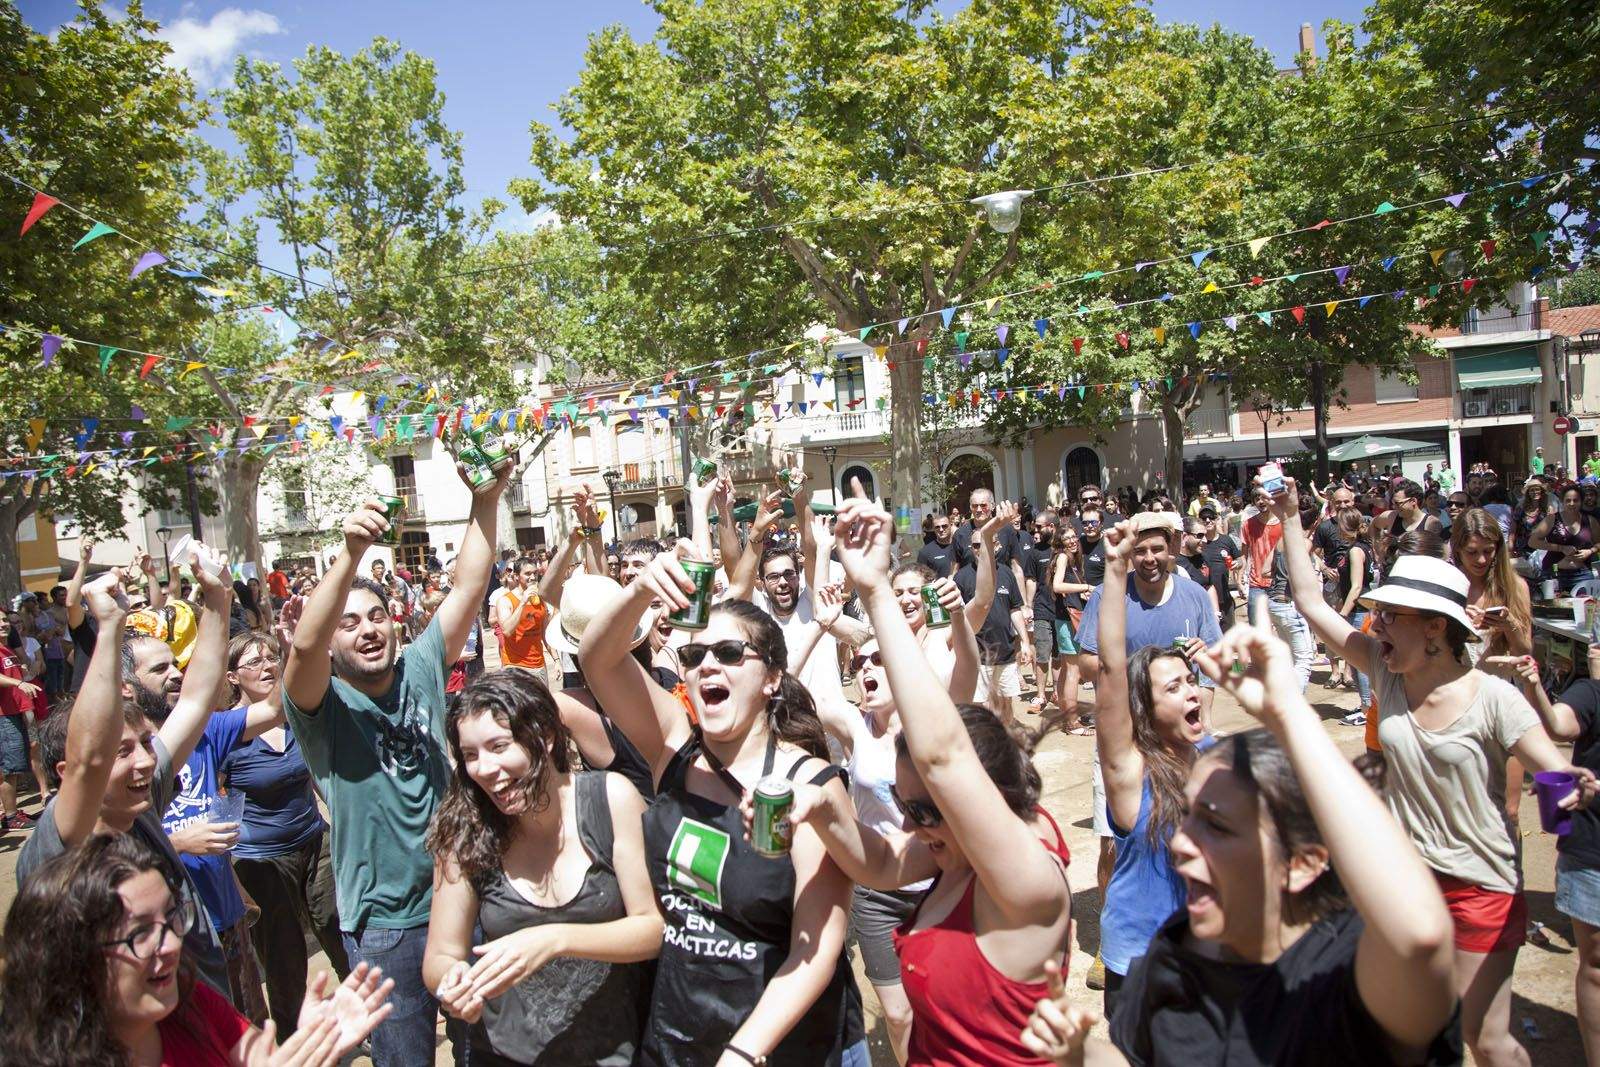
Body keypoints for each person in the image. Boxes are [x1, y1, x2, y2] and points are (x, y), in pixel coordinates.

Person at [1020, 624, 1462, 1067]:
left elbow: (1422, 936)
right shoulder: (1171, 960)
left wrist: (1288, 713)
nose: (1183, 843)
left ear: (1304, 862)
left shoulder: (1348, 970)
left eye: (1218, 825)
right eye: (1190, 816)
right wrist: (1082, 1055)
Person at [1274, 474, 1597, 1067]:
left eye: (1391, 616)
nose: (1378, 626)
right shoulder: (1385, 669)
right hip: (1406, 882)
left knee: (1486, 1038)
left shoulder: (1493, 696)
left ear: (1434, 628)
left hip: (1480, 886)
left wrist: (1570, 789)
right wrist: (1291, 514)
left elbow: (1553, 769)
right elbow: (1309, 602)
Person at [775, 496, 1072, 1066]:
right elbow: (881, 865)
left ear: (981, 792)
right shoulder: (952, 854)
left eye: (928, 809)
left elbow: (941, 755)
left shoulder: (1025, 873)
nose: (911, 823)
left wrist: (878, 589)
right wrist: (823, 810)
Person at [581, 547, 867, 1065]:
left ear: (772, 678)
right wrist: (641, 589)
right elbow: (597, 659)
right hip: (678, 1034)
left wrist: (743, 1052)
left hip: (782, 1043)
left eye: (731, 653)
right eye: (695, 657)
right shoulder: (672, 745)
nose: (708, 663)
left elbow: (816, 949)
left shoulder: (809, 785)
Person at [280, 465, 506, 1067]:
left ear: (395, 621)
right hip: (384, 925)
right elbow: (303, 648)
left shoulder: (424, 667)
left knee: (480, 1052)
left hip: (461, 899)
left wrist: (487, 499)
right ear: (334, 640)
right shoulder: (318, 706)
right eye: (348, 624)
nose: (366, 630)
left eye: (375, 616)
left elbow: (467, 588)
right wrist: (352, 556)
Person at [423, 670, 661, 1065]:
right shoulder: (463, 829)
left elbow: (653, 928)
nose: (483, 768)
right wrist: (452, 982)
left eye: (499, 746)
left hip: (612, 1053)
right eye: (469, 755)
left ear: (545, 737)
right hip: (503, 1054)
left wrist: (552, 940)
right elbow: (441, 954)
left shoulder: (610, 799)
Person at [21, 567, 235, 1000]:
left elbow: (195, 698)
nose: (145, 762)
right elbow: (89, 760)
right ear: (66, 776)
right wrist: (111, 628)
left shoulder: (138, 802)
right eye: (123, 752)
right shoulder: (60, 849)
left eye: (145, 744)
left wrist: (218, 599)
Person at [0, 832, 392, 1067]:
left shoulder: (188, 999)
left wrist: (312, 1042)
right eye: (139, 935)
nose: (171, 944)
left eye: (172, 917)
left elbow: (258, 1058)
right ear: (69, 955)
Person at [1089, 518, 1211, 1017]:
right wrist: (1115, 572)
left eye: (1190, 681)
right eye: (1173, 688)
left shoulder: (1216, 760)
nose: (1190, 691)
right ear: (1145, 708)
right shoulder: (1130, 773)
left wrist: (1241, 672)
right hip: (1140, 963)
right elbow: (1112, 669)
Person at [219, 631, 350, 1037]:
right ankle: (295, 1041)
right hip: (259, 861)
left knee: (341, 928)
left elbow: (316, 777)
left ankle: (367, 1019)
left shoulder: (294, 715)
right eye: (254, 662)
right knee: (284, 957)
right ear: (232, 677)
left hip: (315, 841)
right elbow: (216, 803)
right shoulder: (225, 733)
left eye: (271, 657)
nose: (267, 667)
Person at [1515, 646, 1600, 1062]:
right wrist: (1535, 689)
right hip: (1593, 849)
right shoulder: (1592, 692)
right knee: (1598, 964)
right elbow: (1559, 727)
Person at [953, 501, 1031, 721]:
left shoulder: (1006, 573)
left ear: (996, 546)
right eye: (976, 546)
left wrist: (1025, 642)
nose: (980, 549)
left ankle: (1006, 743)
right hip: (976, 654)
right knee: (978, 707)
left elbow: (1015, 609)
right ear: (971, 548)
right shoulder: (962, 577)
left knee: (1006, 703)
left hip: (1005, 651)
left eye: (985, 544)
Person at [1331, 508, 1374, 726]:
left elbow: (1357, 586)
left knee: (1360, 663)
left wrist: (1343, 613)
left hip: (1359, 611)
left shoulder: (1357, 550)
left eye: (1339, 524)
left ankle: (1367, 709)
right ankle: (1366, 704)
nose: (1336, 528)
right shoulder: (1360, 547)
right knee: (1357, 662)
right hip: (1358, 610)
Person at [1049, 525, 1093, 734]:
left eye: (1074, 536)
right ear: (1059, 542)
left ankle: (1066, 714)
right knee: (1073, 672)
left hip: (1065, 619)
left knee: (1067, 670)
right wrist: (1085, 588)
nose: (1073, 540)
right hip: (1066, 620)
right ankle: (1072, 722)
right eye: (1067, 538)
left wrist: (1080, 592)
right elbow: (1057, 586)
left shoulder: (1070, 560)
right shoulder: (1063, 558)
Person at [1530, 484, 1600, 591]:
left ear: (1581, 501)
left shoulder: (1590, 521)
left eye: (1575, 500)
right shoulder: (1552, 519)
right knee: (1552, 607)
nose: (1571, 504)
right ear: (1562, 502)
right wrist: (1560, 548)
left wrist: (1590, 551)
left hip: (1582, 575)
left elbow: (1598, 543)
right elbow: (1532, 542)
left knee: (1586, 606)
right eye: (1568, 500)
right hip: (1554, 574)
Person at [917, 510, 969, 579]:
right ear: (933, 529)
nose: (941, 530)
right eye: (937, 527)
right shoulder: (925, 552)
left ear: (951, 525)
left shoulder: (962, 547)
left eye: (944, 526)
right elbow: (921, 577)